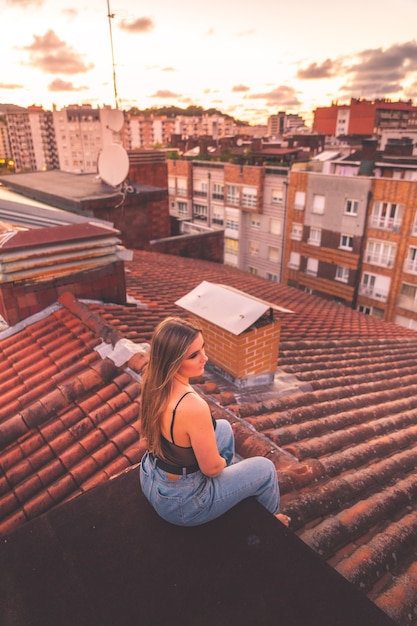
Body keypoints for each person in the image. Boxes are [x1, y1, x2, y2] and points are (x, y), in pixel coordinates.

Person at [139, 316, 290, 527]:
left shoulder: (153, 382)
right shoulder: (192, 406)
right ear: (173, 362)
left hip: (151, 475)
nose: (205, 358)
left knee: (224, 428)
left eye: (203, 349)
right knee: (264, 469)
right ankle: (271, 525)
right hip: (183, 502)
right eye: (194, 355)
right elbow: (211, 469)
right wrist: (218, 464)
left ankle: (225, 490)